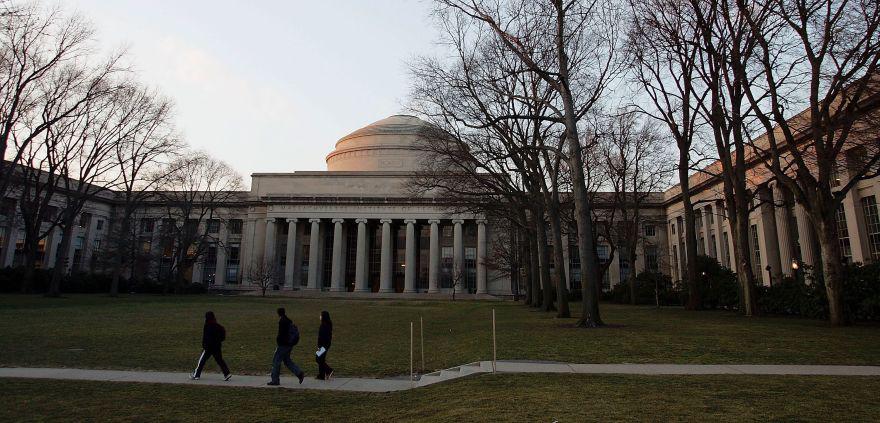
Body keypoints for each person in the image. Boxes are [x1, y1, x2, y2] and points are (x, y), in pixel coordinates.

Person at [268, 307, 305, 386]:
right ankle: (299, 373)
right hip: (289, 344)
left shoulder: (282, 321)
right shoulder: (288, 320)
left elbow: (281, 334)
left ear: (278, 313)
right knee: (287, 361)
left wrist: (279, 341)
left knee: (276, 361)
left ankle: (275, 380)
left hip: (283, 345)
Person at [191, 311, 232, 381]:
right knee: (220, 360)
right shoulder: (218, 326)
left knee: (201, 361)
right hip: (217, 346)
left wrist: (204, 345)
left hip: (208, 347)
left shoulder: (207, 326)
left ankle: (196, 375)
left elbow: (205, 337)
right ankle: (227, 373)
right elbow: (223, 337)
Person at [315, 310, 334, 380]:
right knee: (321, 359)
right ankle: (321, 375)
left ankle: (328, 370)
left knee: (318, 359)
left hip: (323, 345)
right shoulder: (327, 324)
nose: (320, 317)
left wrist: (319, 346)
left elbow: (322, 337)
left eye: (321, 315)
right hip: (325, 345)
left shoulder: (324, 325)